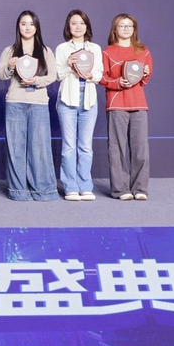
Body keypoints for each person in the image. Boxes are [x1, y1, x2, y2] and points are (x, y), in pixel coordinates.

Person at [0, 11, 58, 201]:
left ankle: (43, 190)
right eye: (23, 24)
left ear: (36, 27)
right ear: (18, 26)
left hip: (38, 103)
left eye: (31, 24)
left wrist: (36, 81)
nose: (27, 27)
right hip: (15, 102)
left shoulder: (45, 51)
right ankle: (18, 191)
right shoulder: (10, 50)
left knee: (40, 147)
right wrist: (10, 67)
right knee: (15, 147)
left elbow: (52, 76)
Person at [100, 13, 153, 201]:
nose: (126, 28)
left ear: (134, 29)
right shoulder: (107, 52)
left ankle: (140, 188)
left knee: (140, 148)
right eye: (122, 25)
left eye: (129, 25)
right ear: (115, 29)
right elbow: (102, 77)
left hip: (138, 104)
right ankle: (121, 189)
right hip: (116, 105)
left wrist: (145, 74)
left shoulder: (143, 51)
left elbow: (144, 80)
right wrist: (117, 83)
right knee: (117, 148)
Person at [54, 10, 104, 202]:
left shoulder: (95, 48)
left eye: (82, 23)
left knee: (85, 146)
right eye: (74, 23)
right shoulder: (62, 48)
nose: (78, 26)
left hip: (89, 99)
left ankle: (85, 186)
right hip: (67, 99)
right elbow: (58, 75)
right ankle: (70, 187)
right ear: (68, 26)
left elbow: (99, 74)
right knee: (68, 146)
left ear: (87, 26)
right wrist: (68, 64)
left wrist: (91, 75)